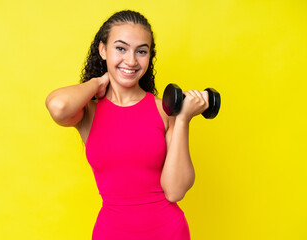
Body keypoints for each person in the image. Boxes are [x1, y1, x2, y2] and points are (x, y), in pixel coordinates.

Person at [45, 10, 209, 240]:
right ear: (102, 50)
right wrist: (98, 81)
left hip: (167, 231)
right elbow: (58, 106)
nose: (131, 61)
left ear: (149, 56)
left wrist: (182, 119)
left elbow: (175, 190)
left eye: (141, 51)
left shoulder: (165, 111)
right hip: (111, 233)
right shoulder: (87, 112)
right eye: (121, 48)